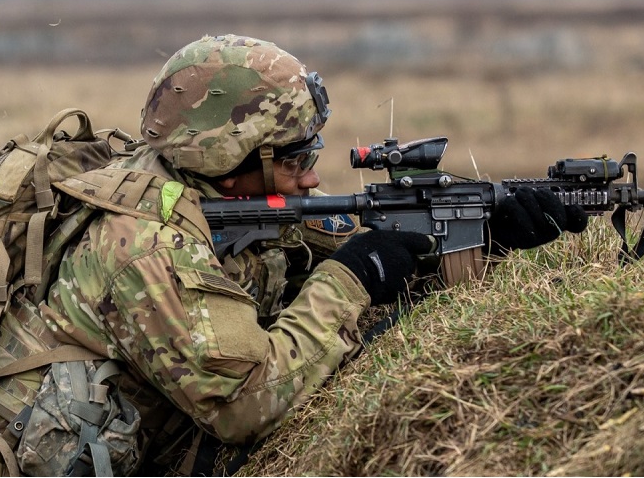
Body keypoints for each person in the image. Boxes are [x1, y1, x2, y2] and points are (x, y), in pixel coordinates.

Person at [38, 34, 587, 474]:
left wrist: (487, 234)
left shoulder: (215, 190)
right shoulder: (148, 246)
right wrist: (349, 282)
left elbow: (371, 241)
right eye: (297, 160)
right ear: (231, 162)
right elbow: (243, 408)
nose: (314, 177)